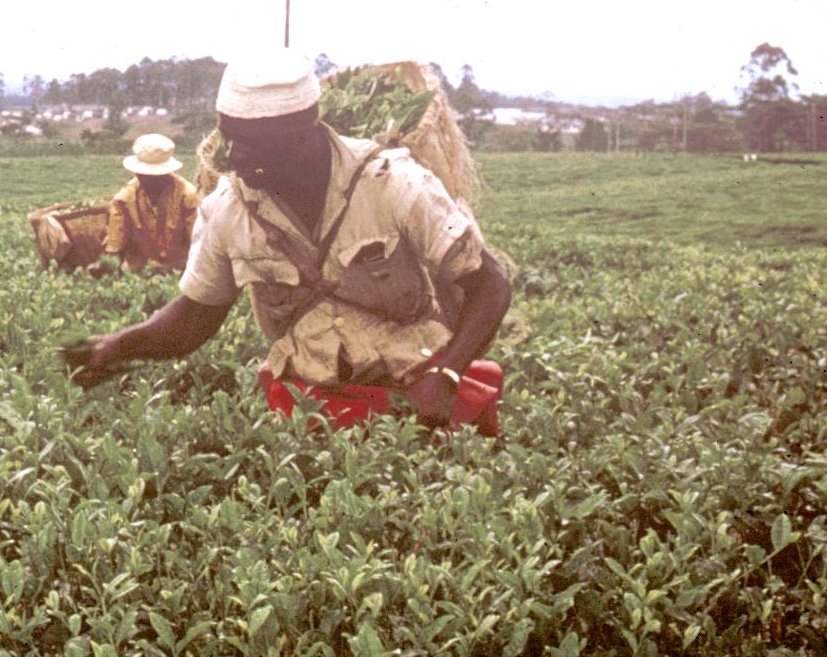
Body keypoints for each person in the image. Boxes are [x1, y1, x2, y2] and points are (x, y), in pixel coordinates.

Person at [64, 50, 511, 431]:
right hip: (309, 407)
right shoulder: (230, 210)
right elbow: (193, 319)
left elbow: (488, 285)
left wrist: (447, 373)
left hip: (417, 393)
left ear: (302, 139)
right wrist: (117, 345)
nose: (233, 159)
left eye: (250, 146)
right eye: (229, 140)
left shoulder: (392, 184)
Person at [101, 133, 202, 273]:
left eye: (156, 177)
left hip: (184, 271)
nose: (150, 181)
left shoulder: (188, 196)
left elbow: (200, 250)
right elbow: (115, 246)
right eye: (144, 176)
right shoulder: (124, 199)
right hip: (137, 273)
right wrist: (108, 267)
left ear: (167, 173)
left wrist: (168, 269)